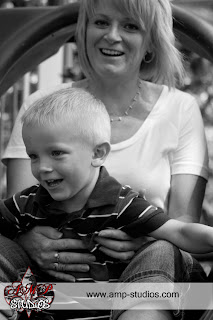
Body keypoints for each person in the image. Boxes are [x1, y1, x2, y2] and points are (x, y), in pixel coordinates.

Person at [1, 0, 209, 319]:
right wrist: (30, 242)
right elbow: (21, 210)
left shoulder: (179, 108)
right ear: (83, 32)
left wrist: (146, 237)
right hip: (50, 294)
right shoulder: (42, 108)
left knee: (162, 250)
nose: (112, 36)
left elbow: (182, 227)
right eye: (100, 22)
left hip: (136, 284)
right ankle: (20, 311)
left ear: (151, 42)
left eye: (130, 26)